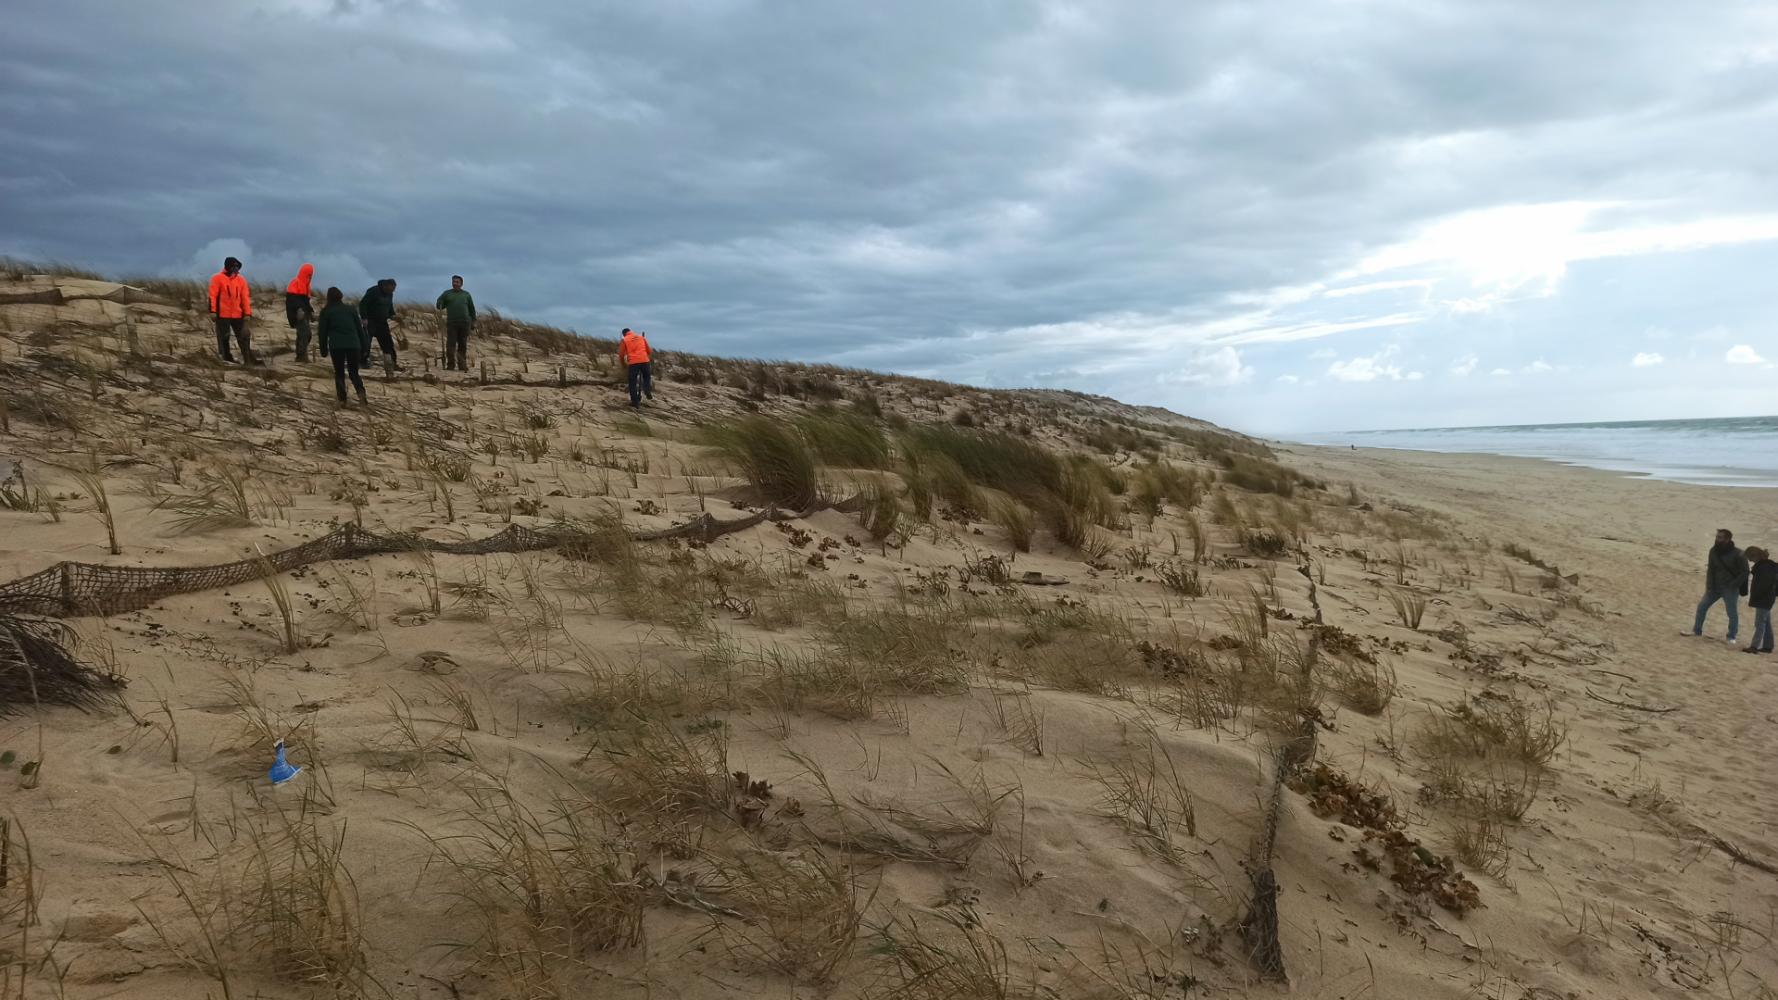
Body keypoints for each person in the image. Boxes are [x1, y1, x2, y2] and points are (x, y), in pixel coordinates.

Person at [1688, 528, 1750, 643]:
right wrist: (1709, 585)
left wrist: (1733, 584)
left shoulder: (1739, 554)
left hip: (1730, 589)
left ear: (1727, 539)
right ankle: (1697, 631)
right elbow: (1711, 569)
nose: (1717, 539)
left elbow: (1745, 572)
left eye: (1720, 537)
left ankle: (1731, 636)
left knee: (1731, 613)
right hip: (1714, 587)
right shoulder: (1713, 551)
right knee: (1701, 607)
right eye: (1717, 537)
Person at [317, 287, 369, 405]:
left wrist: (323, 350)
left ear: (328, 297)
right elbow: (360, 330)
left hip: (337, 346)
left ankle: (342, 400)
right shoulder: (351, 309)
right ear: (341, 296)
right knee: (354, 372)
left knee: (339, 372)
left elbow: (322, 333)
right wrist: (364, 346)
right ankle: (362, 396)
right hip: (353, 344)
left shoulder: (326, 311)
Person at [207, 256, 253, 363]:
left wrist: (247, 313)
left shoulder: (241, 280)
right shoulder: (217, 278)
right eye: (234, 266)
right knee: (224, 337)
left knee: (244, 336)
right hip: (222, 314)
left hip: (238, 314)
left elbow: (245, 298)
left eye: (237, 266)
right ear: (228, 266)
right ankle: (226, 358)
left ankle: (248, 359)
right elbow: (212, 296)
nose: (236, 268)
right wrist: (213, 311)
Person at [435, 275, 476, 371]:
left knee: (462, 344)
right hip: (452, 322)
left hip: (465, 322)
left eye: (457, 282)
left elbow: (472, 309)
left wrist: (473, 321)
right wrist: (440, 302)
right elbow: (439, 305)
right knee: (451, 344)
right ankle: (450, 365)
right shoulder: (447, 293)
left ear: (461, 284)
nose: (455, 283)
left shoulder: (466, 295)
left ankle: (462, 365)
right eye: (453, 281)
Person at [361, 278, 399, 371]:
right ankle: (362, 362)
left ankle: (392, 364)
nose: (392, 291)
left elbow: (390, 306)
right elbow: (363, 304)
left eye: (393, 289)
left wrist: (392, 315)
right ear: (385, 286)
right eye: (391, 289)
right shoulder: (373, 291)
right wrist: (364, 318)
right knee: (366, 343)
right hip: (370, 321)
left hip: (382, 322)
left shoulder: (390, 294)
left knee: (388, 344)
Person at [1746, 546, 1776, 654]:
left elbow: (1764, 584)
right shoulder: (1767, 566)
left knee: (1760, 623)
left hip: (1764, 598)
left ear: (1756, 556)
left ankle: (1754, 646)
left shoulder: (1764, 567)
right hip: (1768, 597)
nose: (1750, 560)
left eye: (1750, 558)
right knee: (1765, 622)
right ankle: (1768, 646)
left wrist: (1757, 595)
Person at [285, 263, 316, 361]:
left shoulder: (307, 286)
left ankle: (300, 354)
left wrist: (310, 311)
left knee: (304, 334)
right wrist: (299, 310)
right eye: (308, 274)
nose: (310, 276)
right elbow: (292, 300)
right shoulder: (295, 283)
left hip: (304, 313)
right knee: (305, 334)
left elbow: (305, 301)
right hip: (297, 314)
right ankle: (301, 355)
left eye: (311, 274)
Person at [620, 327, 653, 408]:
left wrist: (623, 364)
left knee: (632, 383)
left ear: (624, 334)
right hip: (645, 361)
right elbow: (649, 351)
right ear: (631, 332)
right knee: (647, 377)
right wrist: (644, 356)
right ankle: (647, 390)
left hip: (633, 363)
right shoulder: (641, 337)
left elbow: (621, 355)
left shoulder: (624, 340)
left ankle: (635, 402)